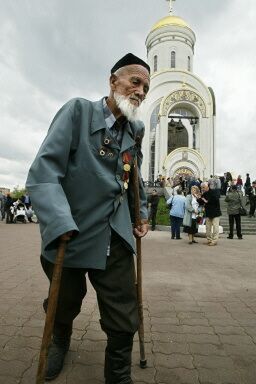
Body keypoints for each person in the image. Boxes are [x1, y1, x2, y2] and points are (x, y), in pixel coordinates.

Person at [26, 53, 150, 383]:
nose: (139, 91)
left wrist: (142, 214)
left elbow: (134, 179)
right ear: (113, 81)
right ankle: (59, 342)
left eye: (146, 88)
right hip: (71, 233)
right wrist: (59, 220)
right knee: (64, 303)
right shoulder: (78, 112)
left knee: (124, 313)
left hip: (115, 235)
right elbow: (43, 172)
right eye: (134, 82)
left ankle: (119, 375)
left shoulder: (134, 131)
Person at [200, 182, 222, 246]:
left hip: (215, 213)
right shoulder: (204, 194)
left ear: (207, 187)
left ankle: (214, 240)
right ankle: (209, 240)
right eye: (202, 188)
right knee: (208, 228)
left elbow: (214, 200)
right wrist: (199, 198)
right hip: (208, 213)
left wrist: (205, 201)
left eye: (203, 187)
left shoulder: (214, 192)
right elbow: (201, 202)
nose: (202, 189)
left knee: (215, 227)